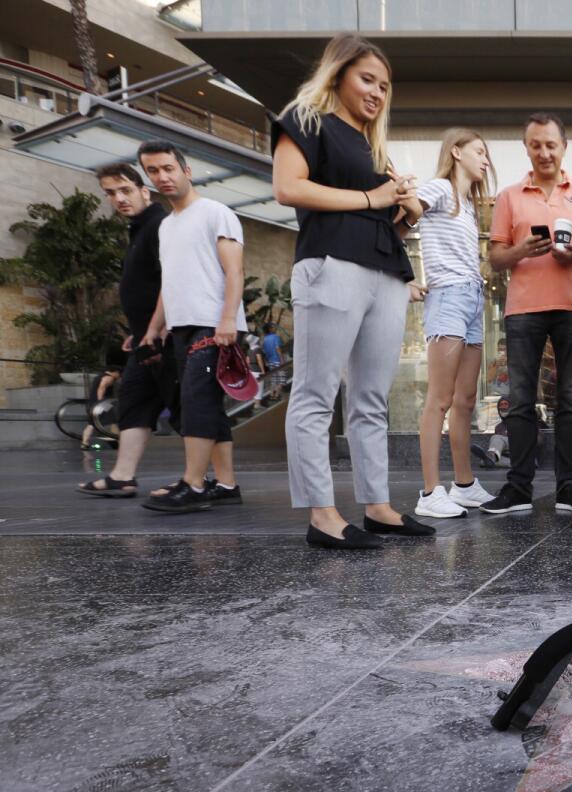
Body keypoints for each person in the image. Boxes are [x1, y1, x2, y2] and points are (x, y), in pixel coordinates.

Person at [272, 32, 435, 548]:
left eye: (385, 86)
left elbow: (377, 216)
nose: (377, 93)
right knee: (316, 395)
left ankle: (378, 507)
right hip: (331, 264)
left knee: (371, 398)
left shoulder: (371, 146)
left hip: (385, 271)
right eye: (368, 79)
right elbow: (288, 187)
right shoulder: (306, 118)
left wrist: (403, 210)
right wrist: (373, 195)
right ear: (338, 73)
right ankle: (322, 514)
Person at [481, 112, 572, 516]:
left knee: (569, 400)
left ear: (564, 147)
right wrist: (520, 252)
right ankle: (518, 487)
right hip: (523, 310)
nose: (544, 152)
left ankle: (568, 486)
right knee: (521, 401)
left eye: (551, 144)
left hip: (571, 306)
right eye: (536, 144)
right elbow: (495, 258)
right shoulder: (510, 196)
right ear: (526, 148)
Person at [135, 141, 247, 515]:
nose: (162, 176)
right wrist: (153, 328)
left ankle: (194, 484)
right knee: (205, 406)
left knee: (197, 403)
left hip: (213, 325)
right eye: (153, 171)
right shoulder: (166, 227)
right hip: (182, 328)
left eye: (168, 168)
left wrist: (227, 320)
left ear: (186, 171)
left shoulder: (216, 212)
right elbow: (170, 283)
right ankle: (226, 485)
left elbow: (234, 270)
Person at [413, 128, 497, 519]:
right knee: (440, 399)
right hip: (446, 297)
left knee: (465, 400)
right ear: (457, 151)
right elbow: (399, 217)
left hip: (472, 300)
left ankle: (463, 486)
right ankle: (429, 493)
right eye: (479, 151)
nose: (485, 159)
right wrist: (405, 277)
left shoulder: (465, 203)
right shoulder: (440, 189)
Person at [78, 163, 176, 497]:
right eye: (110, 193)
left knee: (188, 407)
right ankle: (122, 476)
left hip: (165, 337)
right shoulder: (139, 229)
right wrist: (139, 331)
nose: (118, 198)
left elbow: (171, 280)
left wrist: (155, 327)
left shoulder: (159, 225)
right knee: (133, 402)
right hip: (145, 339)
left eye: (125, 190)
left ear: (143, 191)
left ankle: (212, 481)